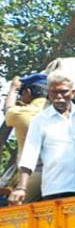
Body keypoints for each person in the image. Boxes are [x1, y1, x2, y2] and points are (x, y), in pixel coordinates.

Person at [9, 72, 75, 205]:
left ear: (73, 93)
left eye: (63, 92)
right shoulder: (40, 120)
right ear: (49, 93)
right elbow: (30, 154)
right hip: (57, 187)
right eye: (54, 92)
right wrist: (21, 187)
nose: (59, 97)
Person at [3, 73, 49, 203]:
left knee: (14, 213)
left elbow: (8, 110)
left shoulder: (22, 113)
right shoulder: (57, 111)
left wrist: (13, 88)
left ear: (28, 92)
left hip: (32, 175)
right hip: (57, 173)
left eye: (21, 93)